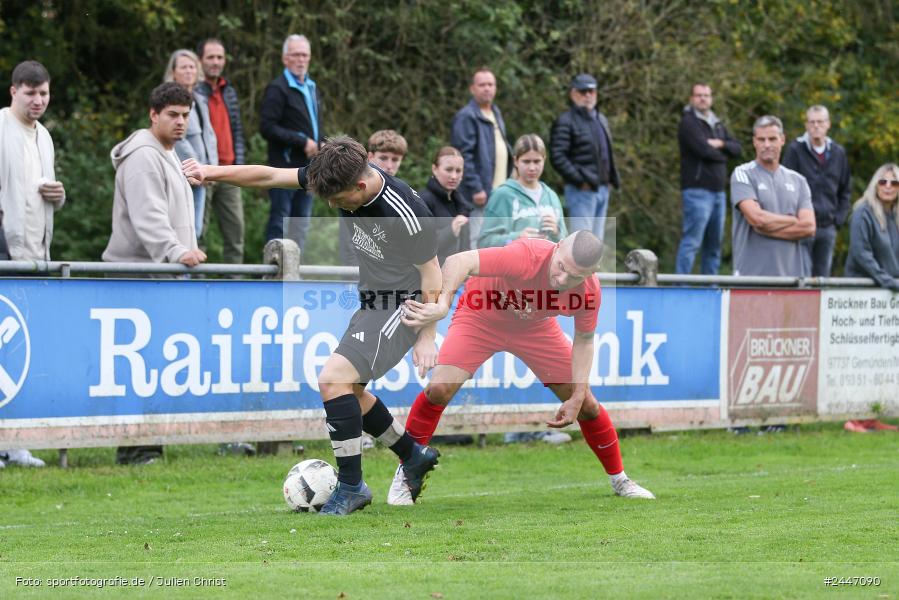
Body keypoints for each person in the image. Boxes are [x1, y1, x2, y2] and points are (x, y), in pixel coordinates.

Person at [182, 135, 442, 515]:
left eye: (337, 200)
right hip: (373, 301)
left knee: (332, 378)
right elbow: (269, 176)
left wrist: (427, 336)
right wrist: (210, 172)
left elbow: (432, 276)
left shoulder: (406, 212)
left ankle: (352, 486)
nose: (332, 204)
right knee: (347, 391)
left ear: (360, 185)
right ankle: (412, 455)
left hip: (403, 306)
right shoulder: (336, 174)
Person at [393, 230, 655, 504]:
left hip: (535, 328)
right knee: (439, 389)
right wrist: (443, 303)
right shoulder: (525, 256)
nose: (562, 279)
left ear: (591, 272)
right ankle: (406, 474)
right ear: (558, 247)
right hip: (481, 315)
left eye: (575, 276)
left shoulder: (589, 291)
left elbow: (585, 340)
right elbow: (459, 261)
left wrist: (577, 394)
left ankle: (620, 479)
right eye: (561, 267)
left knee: (586, 403)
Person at [104, 82, 207, 465]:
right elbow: (149, 217)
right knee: (137, 369)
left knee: (154, 369)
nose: (180, 123)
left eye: (185, 116)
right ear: (153, 114)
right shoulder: (143, 156)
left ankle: (148, 444)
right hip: (138, 279)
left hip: (158, 277)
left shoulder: (167, 153)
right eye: (173, 115)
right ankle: (134, 449)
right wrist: (177, 252)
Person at [0, 59, 67, 468]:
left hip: (35, 256)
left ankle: (16, 442)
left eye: (43, 93)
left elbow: (37, 193)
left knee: (20, 355)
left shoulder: (44, 136)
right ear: (13, 91)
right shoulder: (0, 127)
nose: (38, 100)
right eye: (30, 93)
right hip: (4, 251)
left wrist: (57, 196)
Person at [843, 165, 899, 433]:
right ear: (875, 184)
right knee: (859, 356)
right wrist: (888, 281)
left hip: (885, 296)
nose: (888, 186)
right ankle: (853, 418)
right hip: (862, 295)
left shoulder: (894, 216)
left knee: (879, 356)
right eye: (883, 181)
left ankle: (869, 417)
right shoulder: (863, 211)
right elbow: (861, 253)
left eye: (894, 182)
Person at [260, 34, 323, 251]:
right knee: (281, 222)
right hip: (283, 168)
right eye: (295, 54)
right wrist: (301, 141)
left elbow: (315, 126)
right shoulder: (277, 88)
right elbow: (267, 127)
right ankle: (274, 275)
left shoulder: (312, 87)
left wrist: (320, 144)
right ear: (285, 58)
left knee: (301, 224)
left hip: (310, 168)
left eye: (305, 54)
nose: (301, 59)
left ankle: (294, 276)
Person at [730, 115, 815, 276]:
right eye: (761, 140)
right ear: (754, 141)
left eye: (772, 139)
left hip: (791, 279)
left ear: (782, 140)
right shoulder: (742, 173)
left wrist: (766, 229)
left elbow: (809, 227)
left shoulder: (799, 180)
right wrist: (792, 220)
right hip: (750, 278)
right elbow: (757, 219)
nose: (767, 145)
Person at [675, 83, 742, 274]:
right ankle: (680, 287)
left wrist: (720, 143)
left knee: (714, 246)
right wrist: (723, 154)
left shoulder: (717, 123)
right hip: (697, 191)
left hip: (719, 193)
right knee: (692, 243)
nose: (703, 98)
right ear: (691, 98)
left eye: (706, 95)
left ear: (711, 99)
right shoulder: (688, 123)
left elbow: (737, 148)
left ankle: (710, 288)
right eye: (698, 95)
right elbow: (703, 151)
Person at [782, 105, 852, 277]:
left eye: (820, 122)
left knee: (822, 279)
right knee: (801, 277)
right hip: (801, 225)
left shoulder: (838, 152)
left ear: (828, 124)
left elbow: (845, 189)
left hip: (827, 227)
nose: (816, 126)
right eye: (812, 122)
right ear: (806, 125)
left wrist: (838, 219)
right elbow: (784, 186)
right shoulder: (795, 150)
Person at [549, 74, 620, 241]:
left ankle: (591, 269)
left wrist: (610, 179)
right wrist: (580, 181)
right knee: (581, 244)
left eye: (592, 91)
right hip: (581, 191)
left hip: (602, 189)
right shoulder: (565, 121)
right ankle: (577, 269)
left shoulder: (600, 118)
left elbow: (606, 153)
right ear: (573, 94)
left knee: (596, 243)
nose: (588, 95)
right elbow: (557, 156)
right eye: (583, 91)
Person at [196, 38, 247, 265]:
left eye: (220, 57)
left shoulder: (230, 91)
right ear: (200, 61)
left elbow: (237, 131)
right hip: (202, 172)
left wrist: (241, 166)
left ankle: (234, 285)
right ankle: (192, 286)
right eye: (210, 57)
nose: (216, 62)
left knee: (235, 234)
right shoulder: (194, 92)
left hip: (230, 171)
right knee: (197, 234)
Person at [451, 67, 512, 248]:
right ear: (472, 89)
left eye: (491, 84)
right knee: (477, 243)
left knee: (496, 242)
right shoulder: (466, 116)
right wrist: (476, 187)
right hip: (478, 195)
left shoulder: (496, 112)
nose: (487, 88)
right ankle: (473, 278)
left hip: (498, 192)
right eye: (482, 84)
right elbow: (463, 156)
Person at [479, 133, 568, 248]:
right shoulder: (502, 195)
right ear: (516, 161)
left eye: (537, 161)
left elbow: (566, 244)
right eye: (526, 161)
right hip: (513, 264)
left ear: (544, 160)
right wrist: (517, 238)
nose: (532, 168)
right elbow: (484, 242)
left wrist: (557, 233)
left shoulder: (551, 196)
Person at [164, 49, 217, 239]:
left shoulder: (200, 99)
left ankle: (187, 269)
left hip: (202, 174)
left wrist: (212, 170)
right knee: (181, 229)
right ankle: (178, 269)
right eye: (183, 67)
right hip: (184, 173)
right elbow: (178, 139)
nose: (189, 71)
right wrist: (199, 169)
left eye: (192, 66)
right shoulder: (168, 100)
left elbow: (210, 136)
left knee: (196, 230)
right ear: (173, 72)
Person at [339, 130, 409, 266]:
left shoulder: (402, 194)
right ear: (370, 156)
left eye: (395, 160)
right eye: (383, 158)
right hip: (361, 274)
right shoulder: (355, 191)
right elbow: (349, 241)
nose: (389, 166)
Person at [418, 146, 471, 264]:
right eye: (448, 169)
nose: (454, 176)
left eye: (458, 171)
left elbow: (466, 249)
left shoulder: (462, 204)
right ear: (435, 169)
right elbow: (422, 248)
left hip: (459, 274)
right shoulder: (423, 201)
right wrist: (451, 230)